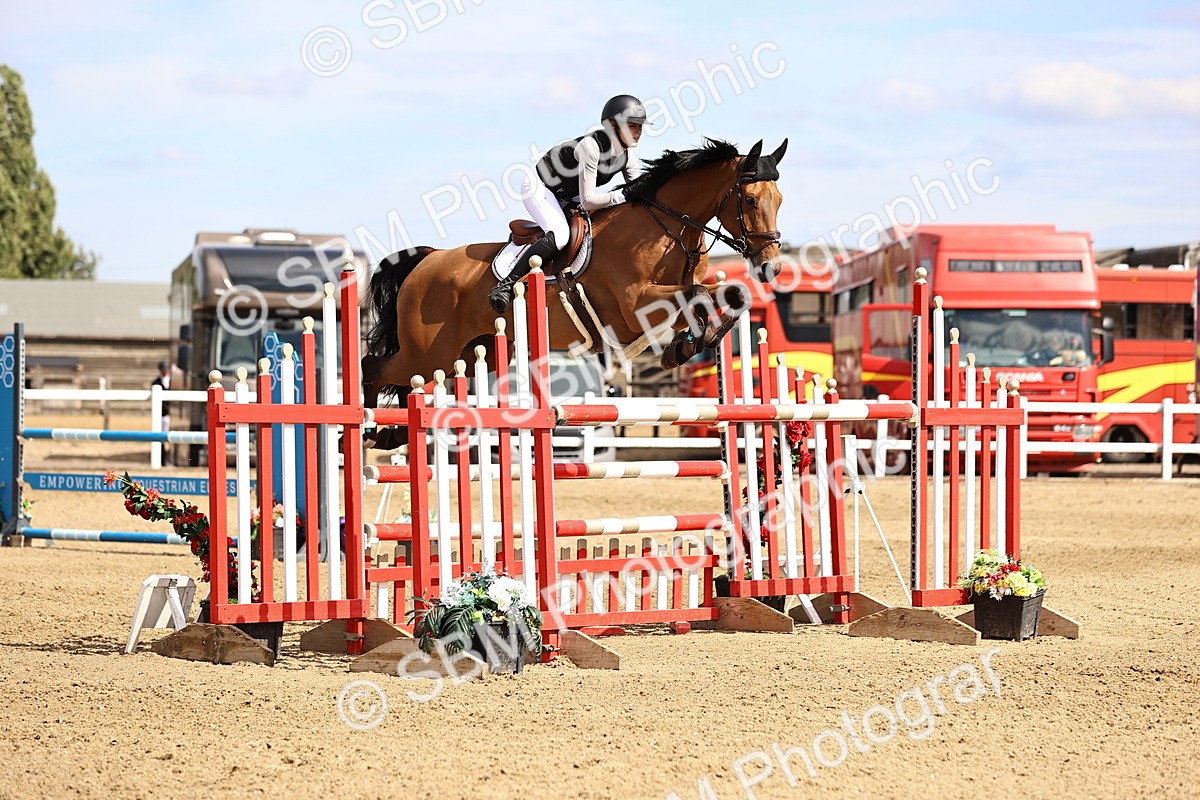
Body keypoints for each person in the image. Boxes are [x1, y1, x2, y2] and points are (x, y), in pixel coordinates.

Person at [488, 94, 647, 313]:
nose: (638, 131)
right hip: (540, 186)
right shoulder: (591, 147)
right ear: (612, 126)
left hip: (568, 195)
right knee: (560, 236)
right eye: (632, 125)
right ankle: (505, 285)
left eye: (639, 126)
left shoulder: (628, 158)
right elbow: (589, 201)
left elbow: (640, 194)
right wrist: (622, 195)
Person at [151, 360, 173, 466]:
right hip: (162, 415)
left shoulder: (173, 382)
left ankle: (168, 459)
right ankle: (163, 460)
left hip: (171, 414)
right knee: (161, 438)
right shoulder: (156, 382)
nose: (165, 371)